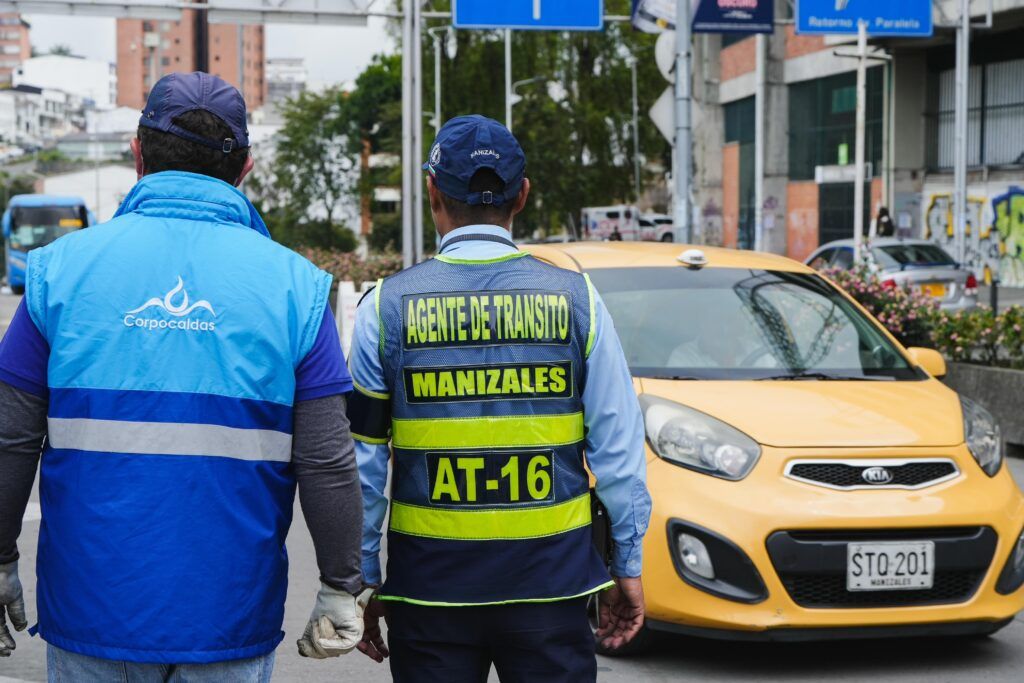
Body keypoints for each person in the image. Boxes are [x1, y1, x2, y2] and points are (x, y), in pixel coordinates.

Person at [0, 72, 366, 681]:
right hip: (229, 621)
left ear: (137, 152)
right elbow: (328, 460)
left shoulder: (55, 275)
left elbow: (9, 439)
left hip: (93, 615)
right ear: (244, 167)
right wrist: (339, 584)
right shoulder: (297, 290)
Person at [348, 115, 652, 683]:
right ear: (523, 195)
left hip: (430, 594)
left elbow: (362, 465)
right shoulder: (577, 299)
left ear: (433, 193)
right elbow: (618, 449)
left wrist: (362, 577)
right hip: (552, 588)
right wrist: (628, 564)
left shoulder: (384, 309)